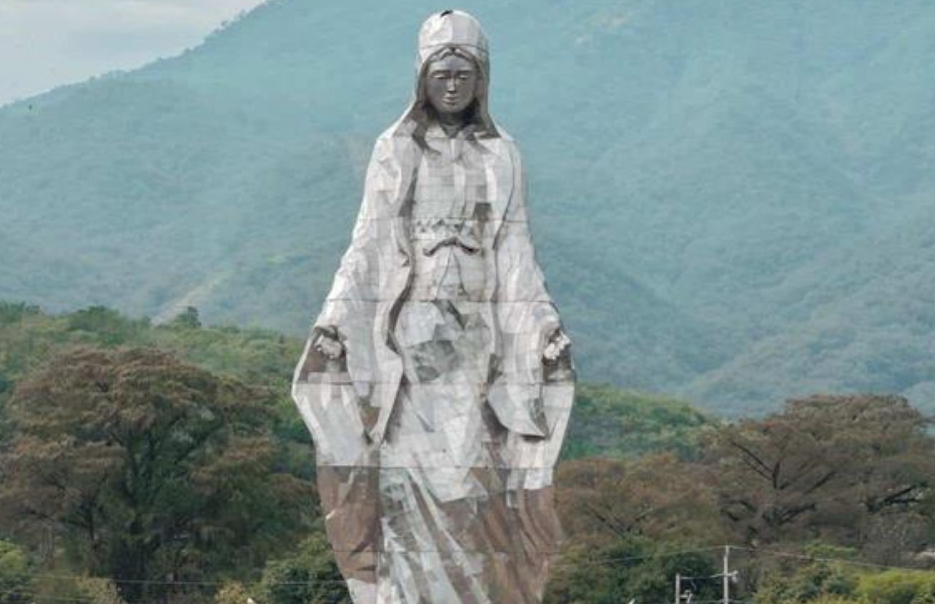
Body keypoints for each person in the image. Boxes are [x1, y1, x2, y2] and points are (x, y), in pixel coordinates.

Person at [292, 10, 574, 603]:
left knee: (471, 481)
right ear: (421, 77)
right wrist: (337, 318)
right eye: (441, 75)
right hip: (408, 347)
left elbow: (516, 254)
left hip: (474, 346)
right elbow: (368, 244)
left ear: (482, 80)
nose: (451, 86)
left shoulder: (501, 155)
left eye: (463, 76)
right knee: (402, 483)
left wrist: (542, 325)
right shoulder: (396, 150)